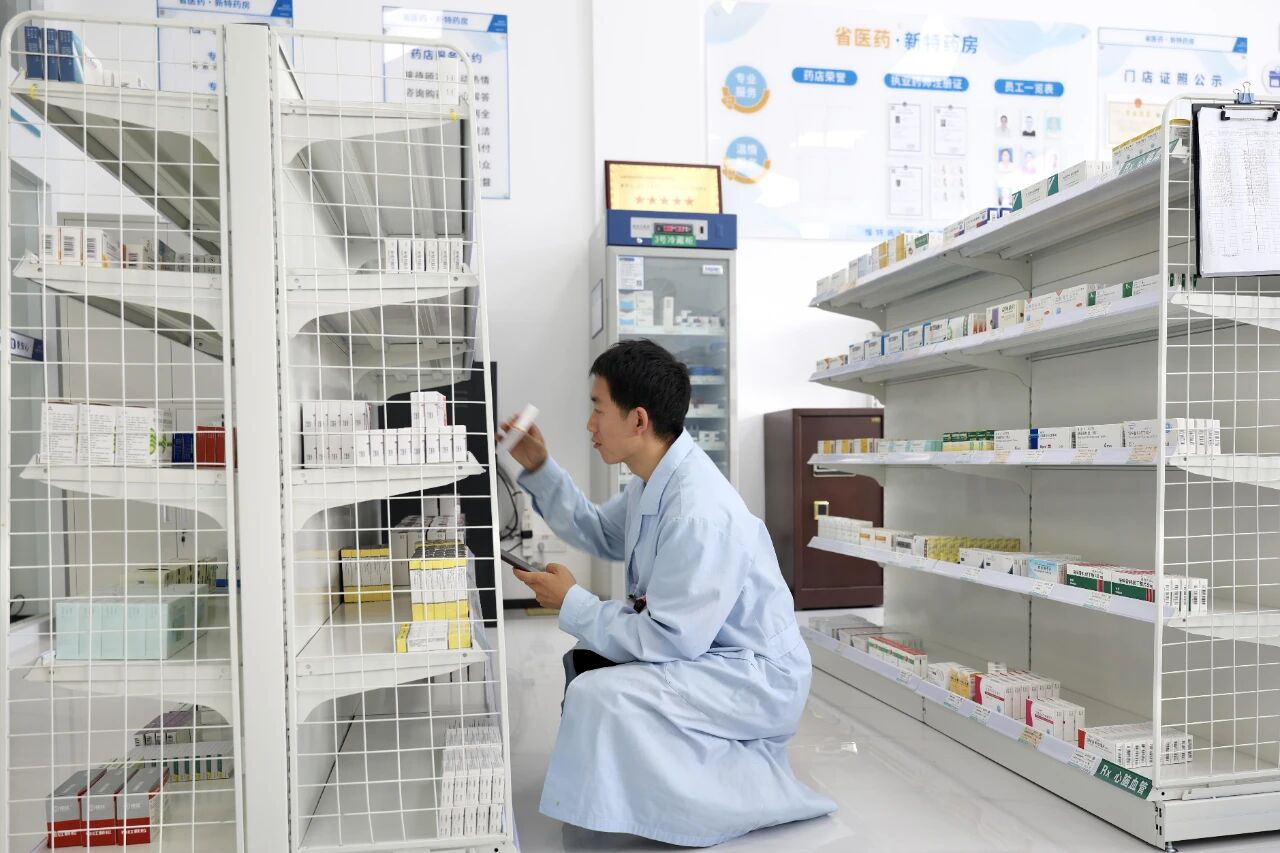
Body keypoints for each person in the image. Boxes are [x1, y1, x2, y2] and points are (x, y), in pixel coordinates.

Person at [501, 339, 835, 847]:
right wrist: (541, 469)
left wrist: (573, 602)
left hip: (754, 676)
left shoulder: (698, 510)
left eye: (597, 409)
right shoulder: (651, 481)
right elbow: (599, 531)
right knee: (586, 659)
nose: (590, 425)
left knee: (598, 694)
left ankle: (713, 799)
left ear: (638, 420)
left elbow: (669, 640)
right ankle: (619, 798)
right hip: (709, 651)